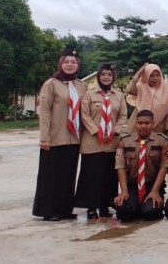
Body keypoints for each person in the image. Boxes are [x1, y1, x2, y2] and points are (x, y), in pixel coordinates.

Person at [33, 49, 88, 221]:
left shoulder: (81, 85)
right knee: (51, 176)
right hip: (55, 138)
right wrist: (44, 138)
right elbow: (44, 112)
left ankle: (64, 209)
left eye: (74, 62)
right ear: (60, 64)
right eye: (66, 61)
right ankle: (48, 211)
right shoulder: (51, 84)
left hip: (74, 138)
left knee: (68, 175)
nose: (70, 65)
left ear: (78, 65)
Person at [75, 63, 128, 219]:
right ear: (98, 76)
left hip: (112, 142)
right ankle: (91, 207)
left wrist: (115, 130)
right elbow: (84, 115)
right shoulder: (89, 95)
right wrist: (96, 131)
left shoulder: (119, 96)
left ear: (113, 77)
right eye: (103, 74)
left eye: (109, 74)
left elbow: (123, 116)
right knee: (92, 176)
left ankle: (105, 206)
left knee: (109, 176)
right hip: (93, 142)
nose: (106, 77)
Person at [112, 110, 168, 222]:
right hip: (132, 186)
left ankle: (143, 206)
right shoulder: (125, 141)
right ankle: (134, 205)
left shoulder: (162, 141)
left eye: (147, 123)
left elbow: (164, 167)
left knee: (150, 212)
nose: (143, 126)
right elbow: (120, 167)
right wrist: (124, 191)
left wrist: (155, 191)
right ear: (136, 123)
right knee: (124, 213)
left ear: (153, 124)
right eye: (140, 123)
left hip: (152, 185)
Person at [126, 63, 168, 137]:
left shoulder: (166, 92)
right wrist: (139, 73)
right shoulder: (141, 87)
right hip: (138, 127)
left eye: (157, 75)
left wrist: (167, 129)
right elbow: (129, 90)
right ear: (146, 76)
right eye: (151, 76)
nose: (155, 78)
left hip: (158, 129)